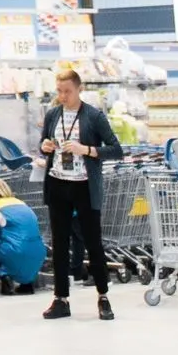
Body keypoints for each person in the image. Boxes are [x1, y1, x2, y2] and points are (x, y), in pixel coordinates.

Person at [37, 69, 122, 320]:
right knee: (60, 243)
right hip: (57, 183)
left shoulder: (94, 116)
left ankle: (103, 297)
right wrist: (45, 146)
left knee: (93, 242)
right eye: (59, 91)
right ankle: (60, 299)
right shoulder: (53, 114)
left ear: (79, 89)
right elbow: (44, 143)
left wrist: (85, 149)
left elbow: (116, 149)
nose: (63, 96)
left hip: (84, 186)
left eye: (68, 91)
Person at [0, 176, 45, 293]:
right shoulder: (22, 204)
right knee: (13, 241)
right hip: (39, 253)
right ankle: (27, 285)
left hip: (15, 252)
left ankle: (6, 278)